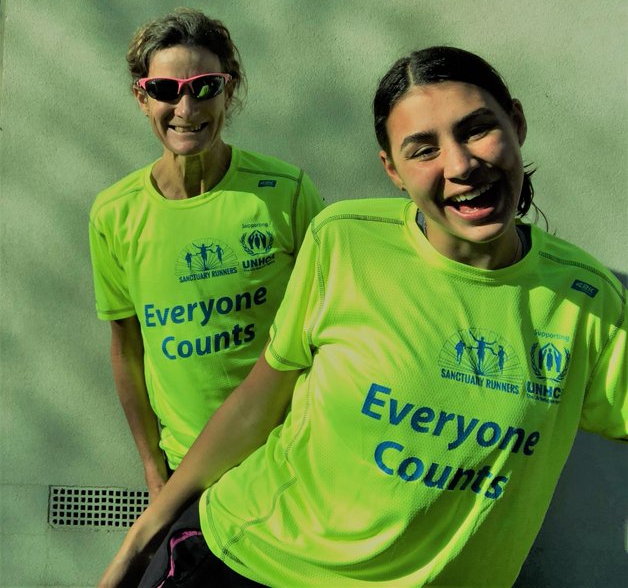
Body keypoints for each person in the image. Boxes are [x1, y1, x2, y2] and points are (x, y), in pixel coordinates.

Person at [98, 46, 626, 587]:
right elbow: (256, 405)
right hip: (247, 559)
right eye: (423, 149)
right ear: (392, 170)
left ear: (516, 123)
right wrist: (140, 540)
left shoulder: (589, 304)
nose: (462, 165)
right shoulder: (342, 238)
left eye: (476, 130)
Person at [89, 8, 324, 500]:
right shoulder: (115, 214)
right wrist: (154, 467)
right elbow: (127, 350)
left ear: (229, 89)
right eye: (165, 90)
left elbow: (333, 328)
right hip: (187, 475)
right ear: (141, 97)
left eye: (204, 87)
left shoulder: (286, 193)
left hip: (286, 462)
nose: (186, 108)